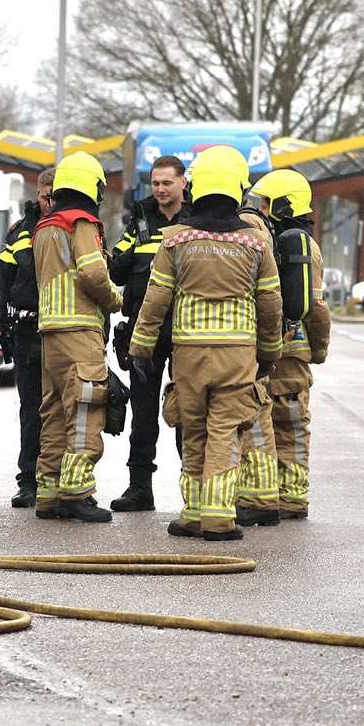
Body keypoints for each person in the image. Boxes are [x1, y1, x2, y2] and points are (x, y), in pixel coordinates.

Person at [129, 146, 281, 542]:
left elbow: (156, 298)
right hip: (236, 355)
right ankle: (218, 518)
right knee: (226, 431)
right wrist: (269, 354)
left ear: (195, 188)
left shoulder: (175, 240)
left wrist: (141, 349)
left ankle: (193, 514)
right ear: (236, 189)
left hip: (189, 355)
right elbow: (270, 304)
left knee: (192, 429)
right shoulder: (255, 242)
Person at [33, 152, 121, 522]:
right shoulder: (80, 223)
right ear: (92, 186)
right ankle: (77, 493)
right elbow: (93, 275)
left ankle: (48, 493)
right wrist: (116, 299)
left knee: (53, 412)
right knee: (86, 408)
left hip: (50, 334)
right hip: (80, 330)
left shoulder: (44, 226)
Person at [106, 155, 186, 511]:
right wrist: (133, 242)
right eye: (155, 183)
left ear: (183, 182)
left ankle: (195, 485)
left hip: (186, 328)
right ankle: (140, 488)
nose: (160, 189)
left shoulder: (197, 218)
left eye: (167, 182)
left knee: (189, 410)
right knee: (143, 412)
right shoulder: (139, 219)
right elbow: (117, 271)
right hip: (146, 329)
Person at [251, 169, 332, 520]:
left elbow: (311, 304)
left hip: (271, 348)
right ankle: (292, 496)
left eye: (267, 202)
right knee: (293, 426)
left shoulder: (272, 244)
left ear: (283, 204)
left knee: (267, 422)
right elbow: (317, 308)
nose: (262, 210)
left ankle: (271, 495)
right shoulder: (307, 246)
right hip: (296, 353)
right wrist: (319, 349)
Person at [0, 169, 56, 508]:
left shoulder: (77, 228)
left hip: (64, 332)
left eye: (56, 195)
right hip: (27, 331)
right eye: (45, 196)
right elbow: (1, 281)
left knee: (64, 409)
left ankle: (60, 481)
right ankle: (28, 480)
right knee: (31, 410)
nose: (50, 202)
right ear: (38, 194)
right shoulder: (20, 233)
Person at [232, 195, 283, 525]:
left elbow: (266, 296)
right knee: (256, 414)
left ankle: (260, 499)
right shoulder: (260, 227)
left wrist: (267, 348)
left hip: (244, 340)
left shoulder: (249, 229)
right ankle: (260, 496)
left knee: (254, 417)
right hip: (251, 339)